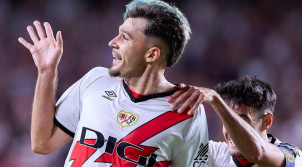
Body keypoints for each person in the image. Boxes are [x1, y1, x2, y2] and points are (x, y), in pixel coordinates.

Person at [18, 0, 209, 166]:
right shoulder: (96, 80)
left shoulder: (186, 110)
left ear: (152, 54)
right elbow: (42, 143)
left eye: (125, 37)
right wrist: (46, 71)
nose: (112, 42)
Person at [168, 75, 302, 167]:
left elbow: (257, 153)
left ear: (267, 121)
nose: (231, 130)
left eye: (241, 121)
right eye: (227, 119)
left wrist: (216, 100)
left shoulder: (292, 155)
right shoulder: (213, 153)